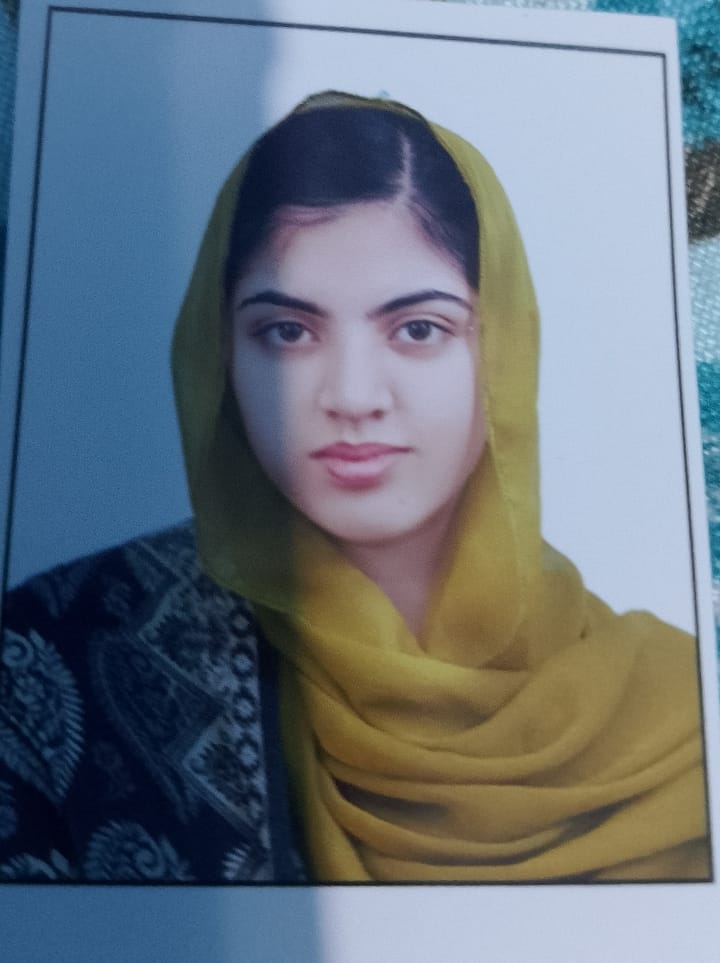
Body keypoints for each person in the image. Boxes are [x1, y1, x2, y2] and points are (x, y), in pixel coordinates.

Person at [0, 92, 709, 883]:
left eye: (418, 329)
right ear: (220, 352)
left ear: (504, 350)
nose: (352, 395)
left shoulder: (684, 708)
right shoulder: (51, 661)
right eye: (288, 331)